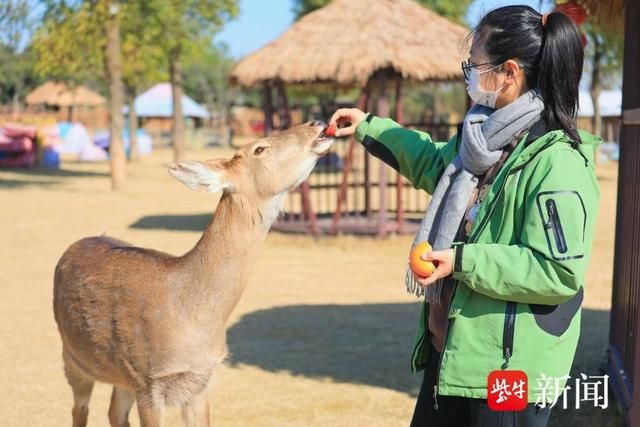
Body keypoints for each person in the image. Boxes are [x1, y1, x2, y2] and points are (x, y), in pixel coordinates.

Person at [330, 5, 600, 427]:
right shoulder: (483, 139)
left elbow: (557, 272)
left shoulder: (558, 162)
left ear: (509, 71)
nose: (469, 75)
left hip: (508, 373)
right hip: (455, 351)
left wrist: (461, 261)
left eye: (473, 65)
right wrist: (368, 126)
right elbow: (434, 162)